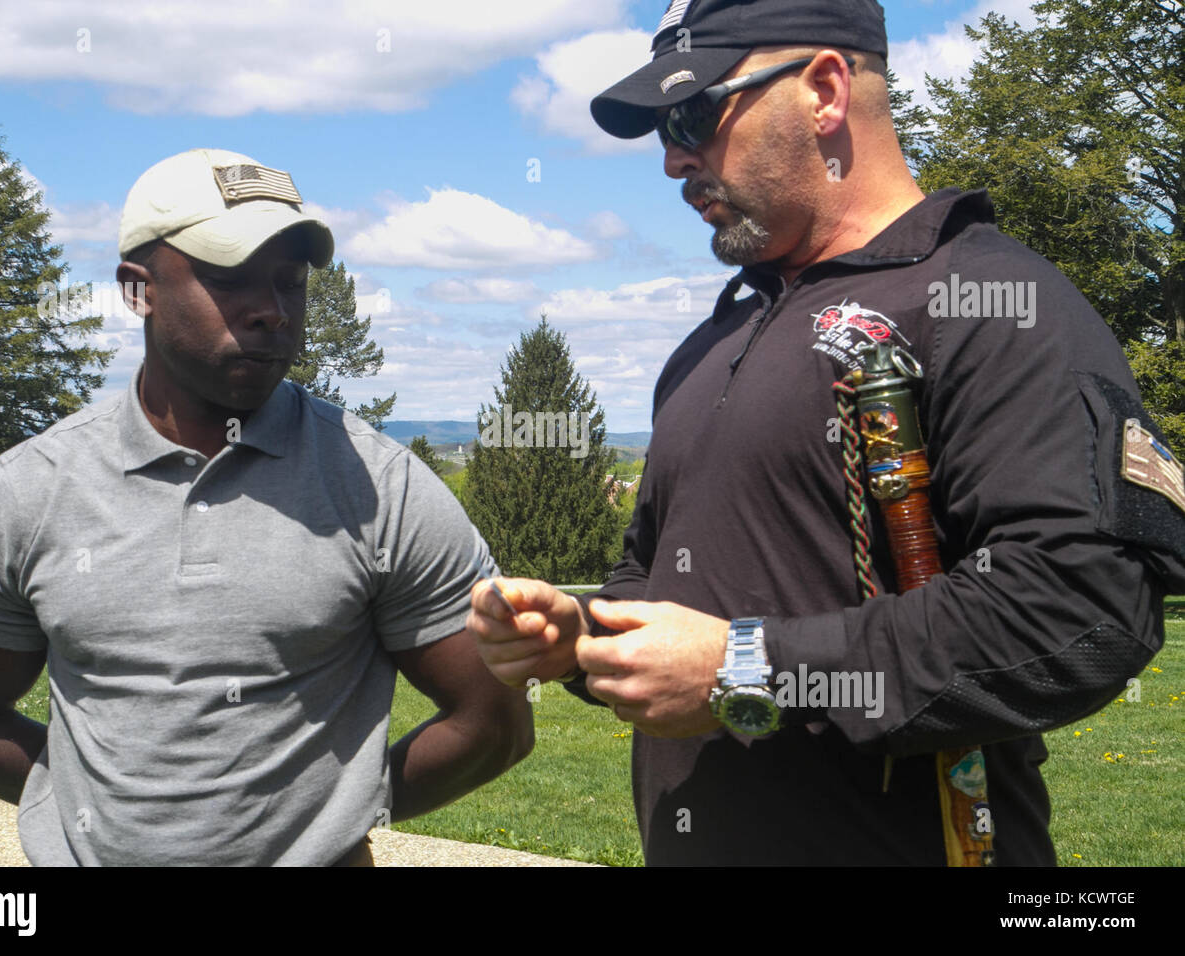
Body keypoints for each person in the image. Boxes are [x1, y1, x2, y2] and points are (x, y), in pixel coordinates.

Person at [468, 0, 1185, 865]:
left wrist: (749, 668)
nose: (671, 159)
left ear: (825, 91)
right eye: (663, 126)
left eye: (694, 113)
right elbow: (657, 583)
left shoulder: (990, 301)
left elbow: (1081, 608)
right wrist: (578, 637)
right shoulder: (711, 345)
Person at [0, 147, 533, 866]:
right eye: (229, 278)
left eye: (290, 281)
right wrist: (80, 805)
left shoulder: (380, 487)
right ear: (137, 290)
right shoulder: (33, 487)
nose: (271, 311)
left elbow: (497, 722)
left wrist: (335, 818)